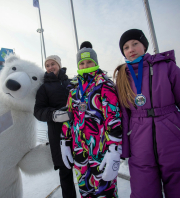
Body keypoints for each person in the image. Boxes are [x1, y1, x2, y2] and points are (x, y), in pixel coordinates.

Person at [114, 29, 180, 198]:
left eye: (135, 44)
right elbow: (123, 117)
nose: (130, 49)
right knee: (143, 193)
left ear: (144, 45)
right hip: (140, 148)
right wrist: (124, 149)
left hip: (176, 142)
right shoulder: (122, 77)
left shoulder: (166, 67)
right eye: (125, 47)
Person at [60, 41, 122, 198]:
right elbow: (69, 116)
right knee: (85, 191)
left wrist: (114, 149)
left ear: (95, 62)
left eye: (89, 62)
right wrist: (65, 141)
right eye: (82, 63)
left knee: (105, 191)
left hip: (101, 150)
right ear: (78, 65)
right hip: (79, 150)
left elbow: (113, 118)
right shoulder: (73, 87)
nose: (85, 65)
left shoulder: (104, 84)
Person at [34, 55, 77, 198]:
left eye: (53, 64)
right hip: (57, 134)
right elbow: (38, 111)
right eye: (47, 65)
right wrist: (53, 114)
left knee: (83, 165)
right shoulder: (44, 88)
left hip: (77, 132)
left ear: (59, 65)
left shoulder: (71, 83)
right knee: (65, 171)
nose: (50, 67)